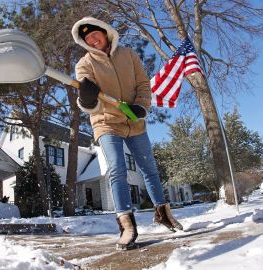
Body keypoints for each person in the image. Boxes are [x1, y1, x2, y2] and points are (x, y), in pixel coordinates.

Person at [72, 17, 183, 250]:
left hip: (134, 120)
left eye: (95, 34)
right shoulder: (85, 63)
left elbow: (143, 84)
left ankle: (163, 213)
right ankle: (127, 225)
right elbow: (87, 102)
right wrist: (87, 96)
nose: (92, 39)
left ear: (105, 32)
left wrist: (141, 107)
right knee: (117, 169)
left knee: (149, 169)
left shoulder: (128, 55)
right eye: (87, 38)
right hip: (106, 122)